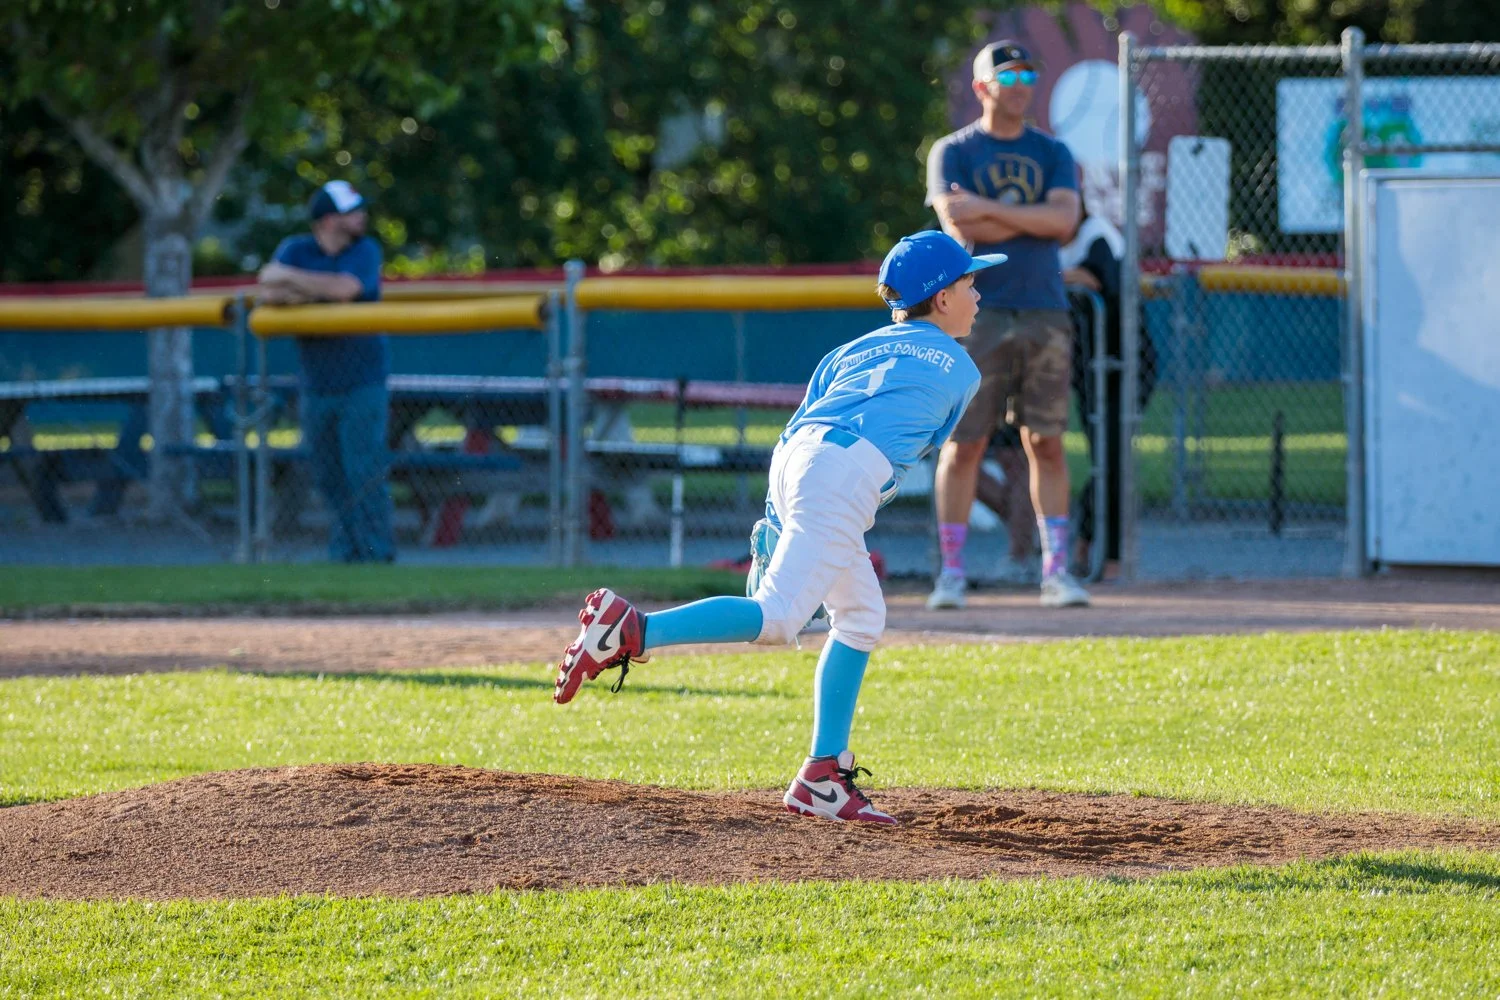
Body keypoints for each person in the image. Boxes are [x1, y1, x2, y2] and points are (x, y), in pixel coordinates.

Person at [552, 230, 1003, 826]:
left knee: (861, 615)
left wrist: (774, 517)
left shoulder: (851, 350)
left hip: (799, 461)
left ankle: (822, 777)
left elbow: (797, 433)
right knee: (777, 617)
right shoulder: (962, 367)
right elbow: (907, 452)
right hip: (845, 475)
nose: (977, 295)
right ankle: (633, 629)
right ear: (941, 298)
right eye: (969, 283)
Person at [925, 40, 1088, 610]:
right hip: (978, 312)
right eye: (1008, 74)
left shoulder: (1053, 151)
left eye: (1027, 72)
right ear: (982, 87)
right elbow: (959, 230)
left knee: (1046, 441)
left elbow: (1064, 221)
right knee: (964, 444)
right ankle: (950, 575)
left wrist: (991, 211)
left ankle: (1056, 571)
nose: (1020, 83)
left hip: (1045, 308)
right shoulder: (953, 151)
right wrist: (1028, 220)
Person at [256, 180, 393, 563]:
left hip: (363, 379)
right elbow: (267, 289)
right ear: (330, 219)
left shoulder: (364, 250)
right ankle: (345, 553)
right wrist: (319, 289)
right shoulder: (295, 248)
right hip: (316, 382)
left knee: (363, 469)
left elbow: (345, 289)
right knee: (329, 475)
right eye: (354, 212)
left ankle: (376, 554)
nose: (362, 217)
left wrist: (295, 284)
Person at [1060, 194, 1157, 577]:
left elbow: (1104, 281)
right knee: (1104, 460)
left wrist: (1067, 278)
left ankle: (1109, 555)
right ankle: (1087, 544)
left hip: (1130, 364)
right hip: (1089, 369)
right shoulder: (1050, 246)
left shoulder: (1095, 234)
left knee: (1112, 458)